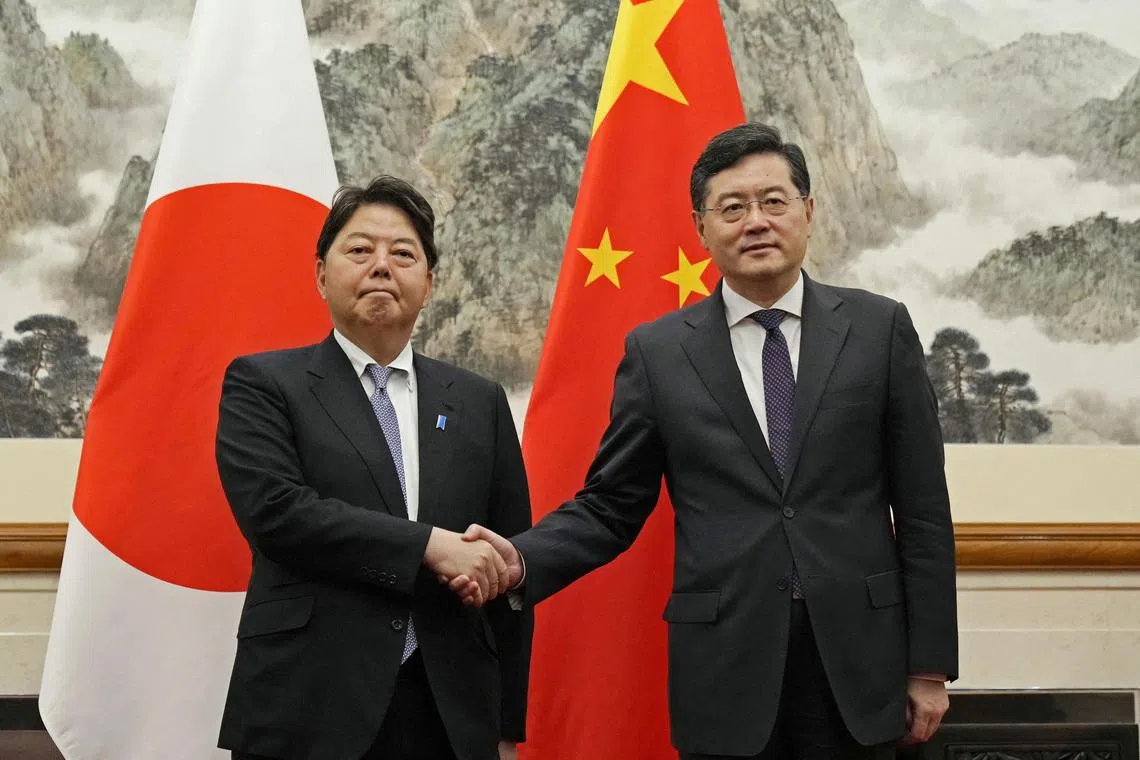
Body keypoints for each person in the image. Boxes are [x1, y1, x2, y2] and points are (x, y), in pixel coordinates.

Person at [461, 123, 958, 759]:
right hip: (726, 669)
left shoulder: (878, 328)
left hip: (862, 666)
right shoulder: (660, 352)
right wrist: (518, 559)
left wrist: (930, 665)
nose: (756, 221)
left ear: (807, 213)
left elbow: (922, 510)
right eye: (732, 207)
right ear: (701, 228)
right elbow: (612, 505)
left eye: (774, 201)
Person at [215, 176, 532, 760]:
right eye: (360, 250)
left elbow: (507, 563)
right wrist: (429, 546)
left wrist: (507, 724)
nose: (381, 266)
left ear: (429, 284)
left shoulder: (479, 401)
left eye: (403, 254)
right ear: (320, 274)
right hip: (308, 702)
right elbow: (278, 515)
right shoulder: (265, 384)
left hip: (451, 711)